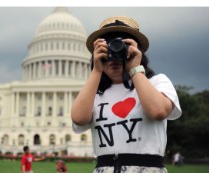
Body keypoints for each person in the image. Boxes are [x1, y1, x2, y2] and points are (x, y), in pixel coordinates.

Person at [71, 16, 182, 173]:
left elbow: (158, 111)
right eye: (107, 48)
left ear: (136, 51)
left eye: (121, 46)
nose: (113, 56)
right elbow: (79, 118)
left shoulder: (156, 82)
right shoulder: (94, 93)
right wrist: (97, 70)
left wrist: (134, 68)